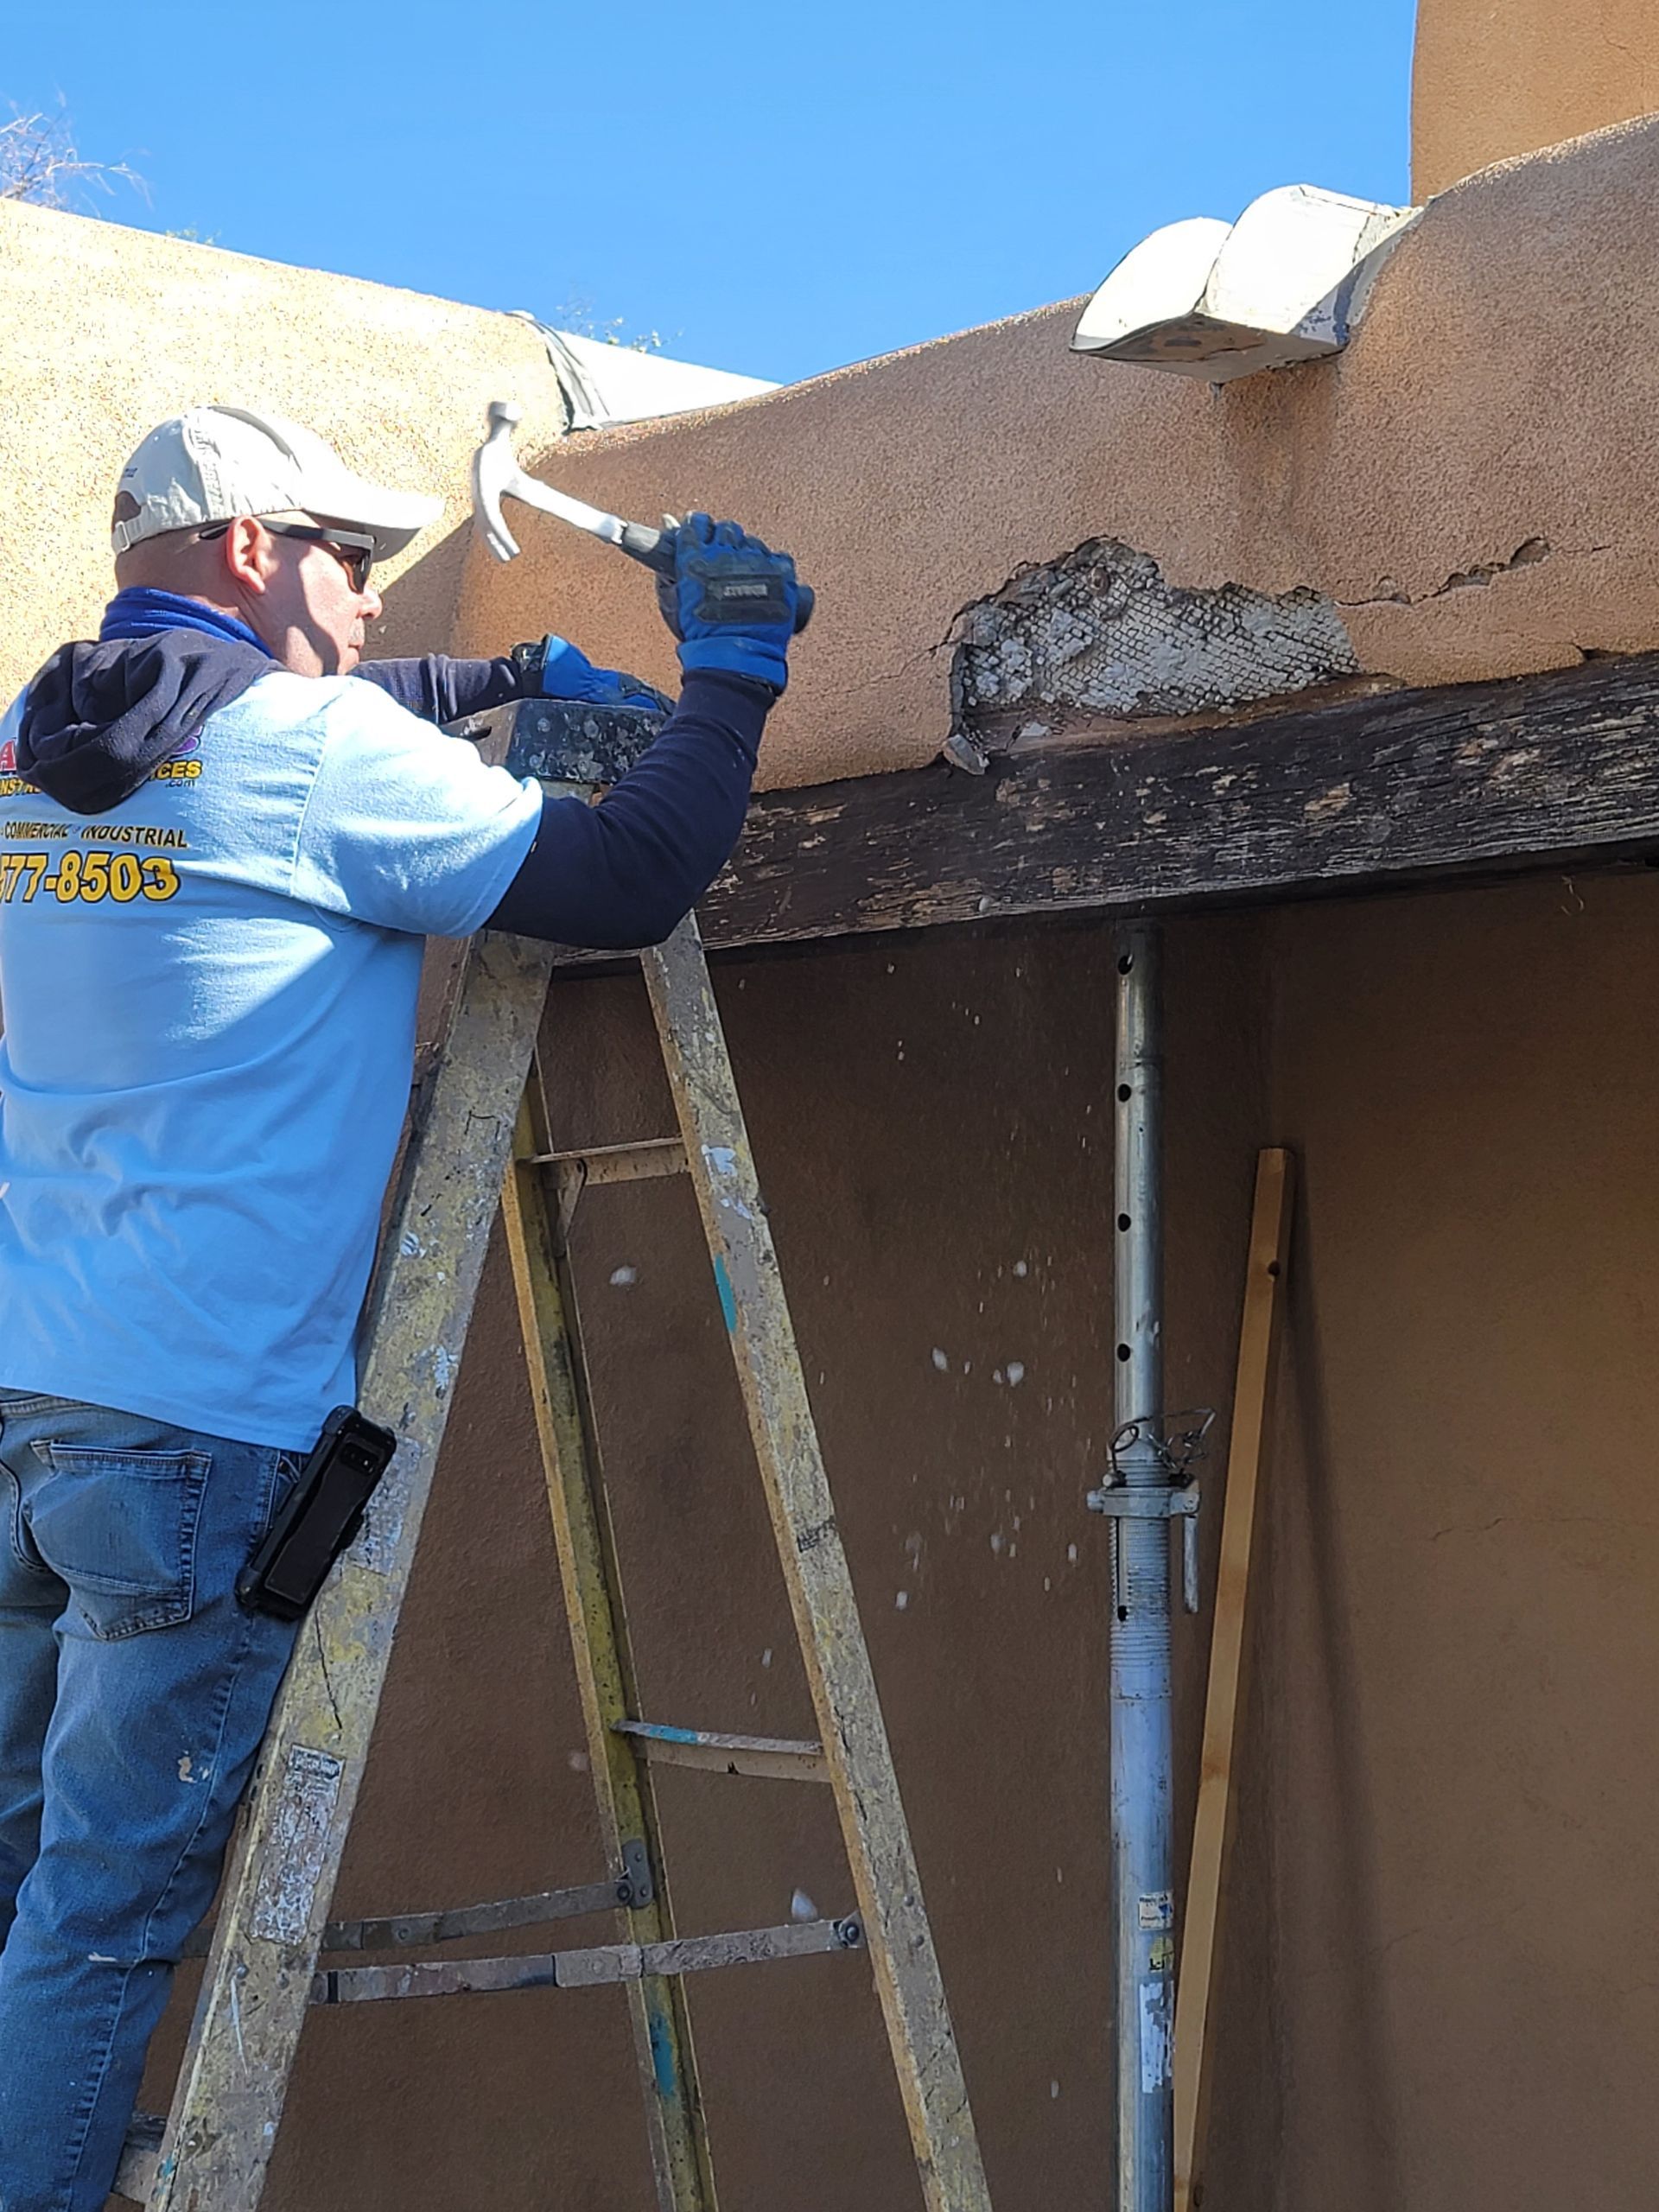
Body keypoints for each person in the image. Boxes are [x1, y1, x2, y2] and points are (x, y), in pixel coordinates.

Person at [0, 404, 806, 2212]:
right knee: (102, 1932)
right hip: (196, 1442)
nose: (365, 600)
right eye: (342, 561)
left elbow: (279, 727)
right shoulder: (302, 758)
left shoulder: (34, 744)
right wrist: (731, 672)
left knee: (13, 1888)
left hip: (31, 1402)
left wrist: (494, 672)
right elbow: (621, 877)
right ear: (246, 549)